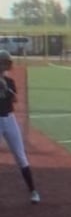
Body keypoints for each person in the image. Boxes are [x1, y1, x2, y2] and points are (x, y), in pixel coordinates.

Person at [0, 52, 41, 203]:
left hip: (10, 119)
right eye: (3, 62)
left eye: (6, 62)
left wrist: (5, 88)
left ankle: (33, 191)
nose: (5, 65)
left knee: (20, 156)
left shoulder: (9, 81)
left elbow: (14, 99)